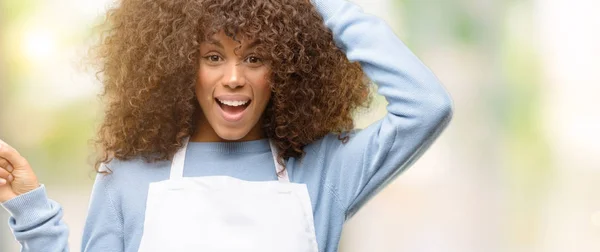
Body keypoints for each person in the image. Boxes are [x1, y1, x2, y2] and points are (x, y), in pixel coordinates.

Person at [0, 0, 453, 251]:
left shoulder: (324, 169)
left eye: (255, 58)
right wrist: (34, 215)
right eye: (213, 57)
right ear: (180, 66)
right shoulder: (127, 177)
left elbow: (426, 106)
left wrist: (321, 6)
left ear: (285, 70)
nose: (234, 77)